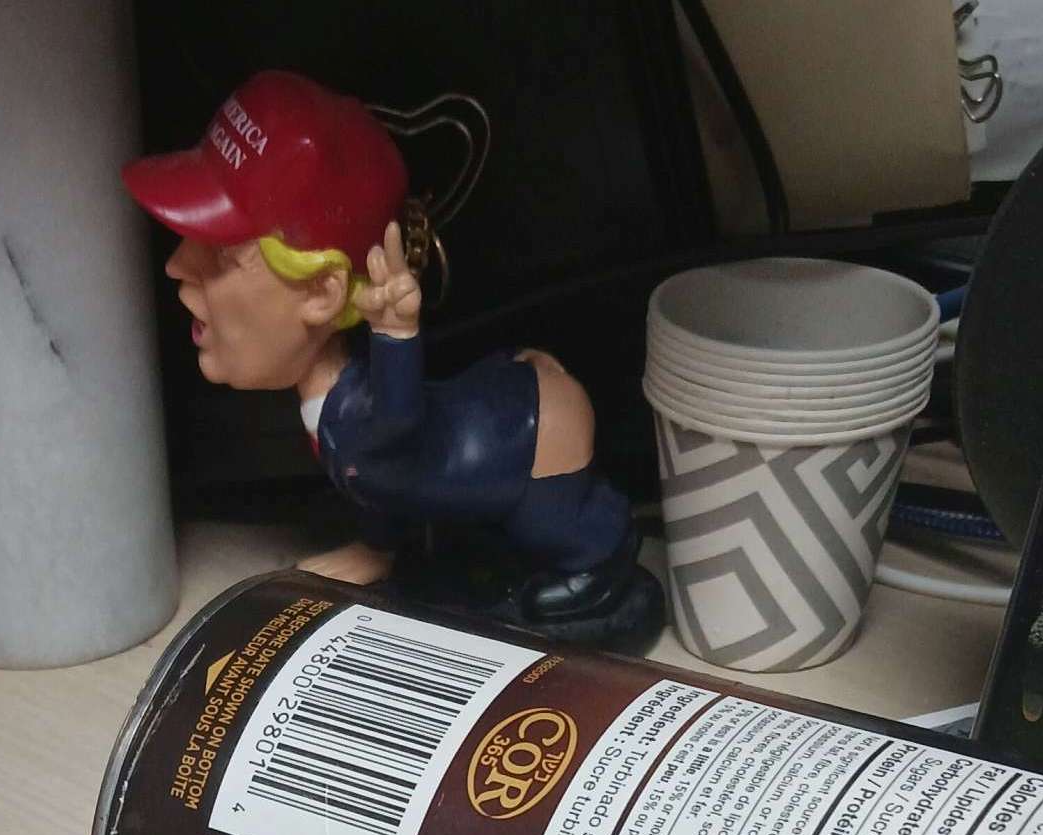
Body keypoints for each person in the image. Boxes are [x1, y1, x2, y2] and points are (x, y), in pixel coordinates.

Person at [123, 69, 661, 640]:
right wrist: (376, 550)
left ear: (322, 292)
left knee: (549, 521)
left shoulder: (361, 414)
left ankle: (601, 553)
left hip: (535, 431)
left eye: (220, 255)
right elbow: (380, 485)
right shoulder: (334, 411)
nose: (175, 266)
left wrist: (396, 335)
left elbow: (400, 423)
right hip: (503, 410)